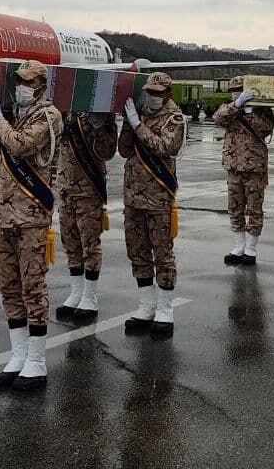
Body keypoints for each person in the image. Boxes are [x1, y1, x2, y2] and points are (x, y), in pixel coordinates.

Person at [0, 60, 64, 392]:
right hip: (2, 215)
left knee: (32, 287)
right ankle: (18, 354)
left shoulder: (49, 116)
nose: (21, 86)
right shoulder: (13, 117)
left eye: (28, 81)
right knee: (9, 287)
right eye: (19, 81)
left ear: (41, 84)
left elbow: (21, 145)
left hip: (30, 217)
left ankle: (37, 361)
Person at [119, 71, 187, 338]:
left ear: (167, 93)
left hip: (158, 196)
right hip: (133, 195)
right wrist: (128, 122)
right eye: (149, 91)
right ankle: (146, 305)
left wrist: (137, 125)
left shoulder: (175, 118)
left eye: (158, 93)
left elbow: (164, 146)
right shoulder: (141, 113)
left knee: (162, 252)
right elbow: (124, 150)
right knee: (137, 250)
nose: (152, 96)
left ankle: (165, 309)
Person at [55, 110, 119, 324]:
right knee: (70, 242)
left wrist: (99, 126)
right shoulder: (66, 112)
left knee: (89, 244)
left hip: (88, 189)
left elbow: (108, 152)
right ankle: (76, 292)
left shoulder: (102, 114)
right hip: (66, 188)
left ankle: (90, 296)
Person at [212, 77, 274, 266]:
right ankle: (239, 245)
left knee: (254, 208)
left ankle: (251, 247)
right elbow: (217, 119)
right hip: (233, 165)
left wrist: (250, 113)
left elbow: (266, 129)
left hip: (254, 166)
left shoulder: (263, 110)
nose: (236, 92)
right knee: (235, 207)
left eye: (239, 89)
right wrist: (237, 105)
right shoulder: (229, 108)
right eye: (233, 90)